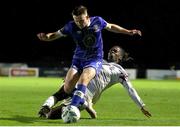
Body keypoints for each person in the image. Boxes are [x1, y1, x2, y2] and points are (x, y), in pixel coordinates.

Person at [37, 5, 142, 111]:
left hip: (94, 59)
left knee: (84, 79)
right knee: (67, 88)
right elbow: (54, 35)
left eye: (81, 20)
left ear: (87, 17)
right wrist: (46, 37)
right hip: (78, 59)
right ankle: (82, 102)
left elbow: (110, 27)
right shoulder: (70, 26)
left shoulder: (98, 21)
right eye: (76, 21)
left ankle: (72, 108)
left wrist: (128, 32)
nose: (79, 23)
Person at [38, 46, 152, 119]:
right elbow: (81, 67)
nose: (111, 51)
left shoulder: (120, 71)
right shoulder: (98, 61)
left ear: (120, 57)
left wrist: (141, 105)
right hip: (79, 84)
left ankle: (84, 104)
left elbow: (130, 89)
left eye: (115, 51)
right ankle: (46, 106)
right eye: (111, 50)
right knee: (60, 92)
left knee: (52, 116)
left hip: (89, 94)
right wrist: (71, 76)